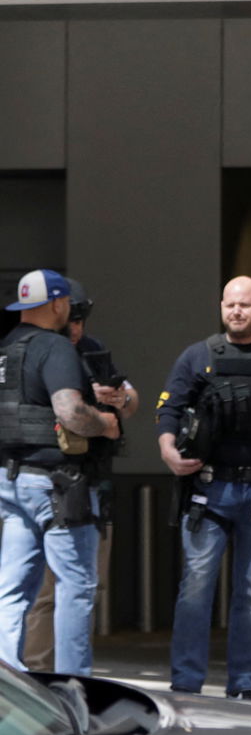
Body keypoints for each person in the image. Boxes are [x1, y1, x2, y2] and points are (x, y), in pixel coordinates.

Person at [156, 276, 251, 701]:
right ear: (221, 307)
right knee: (196, 587)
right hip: (208, 490)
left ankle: (243, 686)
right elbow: (169, 412)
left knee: (250, 591)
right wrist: (167, 452)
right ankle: (186, 684)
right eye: (230, 304)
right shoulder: (199, 356)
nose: (236, 311)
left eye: (245, 305)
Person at [0, 268, 121, 675]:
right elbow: (70, 412)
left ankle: (6, 685)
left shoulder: (6, 348)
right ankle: (74, 687)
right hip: (57, 487)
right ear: (56, 303)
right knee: (76, 588)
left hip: (11, 481)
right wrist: (105, 423)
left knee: (12, 591)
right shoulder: (55, 348)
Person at [22, 277, 139, 670]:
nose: (77, 330)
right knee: (42, 592)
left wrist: (118, 399)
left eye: (81, 320)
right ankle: (38, 673)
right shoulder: (36, 350)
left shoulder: (90, 350)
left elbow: (131, 396)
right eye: (72, 319)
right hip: (46, 482)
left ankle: (73, 675)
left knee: (84, 587)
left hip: (88, 485)